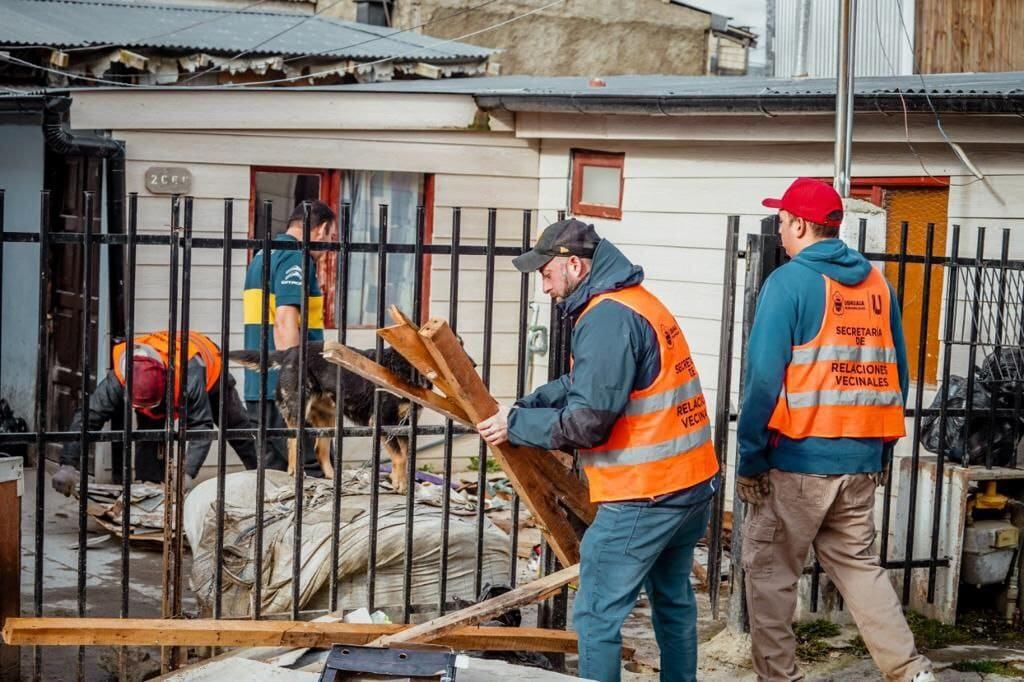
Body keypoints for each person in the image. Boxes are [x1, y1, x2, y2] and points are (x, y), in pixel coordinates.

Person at [476, 219, 719, 682]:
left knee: (595, 613)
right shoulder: (636, 302)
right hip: (691, 485)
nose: (544, 286)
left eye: (546, 273)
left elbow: (588, 423)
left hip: (646, 494)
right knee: (672, 602)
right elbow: (587, 382)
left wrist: (517, 424)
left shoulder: (607, 317)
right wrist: (531, 404)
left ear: (574, 263)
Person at [737, 177, 934, 682]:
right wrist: (880, 448)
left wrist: (751, 458)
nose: (779, 229)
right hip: (861, 460)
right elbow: (899, 373)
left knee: (771, 575)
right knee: (860, 570)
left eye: (782, 220)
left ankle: (779, 677)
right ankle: (910, 671)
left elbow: (763, 379)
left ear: (801, 224)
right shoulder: (876, 283)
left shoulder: (788, 283)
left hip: (797, 461)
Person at [52, 331, 258, 496]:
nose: (150, 410)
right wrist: (68, 463)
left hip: (210, 370)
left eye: (154, 405)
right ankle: (149, 492)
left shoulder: (190, 374)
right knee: (149, 433)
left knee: (238, 428)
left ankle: (262, 475)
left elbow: (200, 427)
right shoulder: (123, 376)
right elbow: (90, 415)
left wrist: (186, 474)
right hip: (159, 383)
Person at [242, 200, 332, 473]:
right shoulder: (294, 256)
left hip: (260, 386)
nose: (329, 245)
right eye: (331, 236)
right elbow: (284, 321)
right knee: (315, 471)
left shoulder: (263, 255)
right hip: (286, 390)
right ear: (322, 229)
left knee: (275, 478)